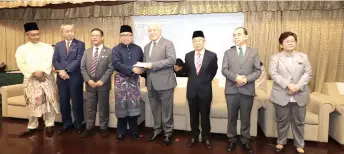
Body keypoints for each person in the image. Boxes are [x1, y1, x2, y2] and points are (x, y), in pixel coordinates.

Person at [269, 32, 312, 154]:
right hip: (282, 93)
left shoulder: (303, 57)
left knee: (299, 121)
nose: (290, 43)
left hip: (299, 93)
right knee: (282, 120)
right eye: (287, 41)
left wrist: (297, 86)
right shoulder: (275, 57)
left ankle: (299, 144)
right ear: (281, 44)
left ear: (296, 42)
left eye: (292, 41)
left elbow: (308, 73)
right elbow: (273, 74)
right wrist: (288, 85)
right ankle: (281, 142)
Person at [15, 22, 59, 138]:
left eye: (38, 34)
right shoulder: (21, 49)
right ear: (27, 35)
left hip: (46, 77)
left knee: (49, 100)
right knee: (33, 103)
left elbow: (50, 61)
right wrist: (33, 73)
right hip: (31, 79)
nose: (36, 37)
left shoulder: (47, 47)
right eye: (33, 35)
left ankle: (50, 124)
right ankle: (32, 125)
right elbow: (21, 63)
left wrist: (42, 72)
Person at [221, 27, 261, 154]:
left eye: (239, 34)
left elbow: (257, 71)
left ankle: (245, 140)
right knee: (231, 117)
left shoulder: (253, 52)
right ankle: (231, 139)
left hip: (247, 90)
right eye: (234, 35)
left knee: (245, 118)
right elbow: (224, 69)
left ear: (246, 36)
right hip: (232, 90)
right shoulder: (228, 52)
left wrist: (247, 79)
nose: (236, 37)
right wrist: (236, 78)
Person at [138, 24, 176, 146]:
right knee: (154, 108)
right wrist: (139, 69)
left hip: (165, 83)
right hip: (151, 83)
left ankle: (168, 133)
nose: (152, 32)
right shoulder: (147, 46)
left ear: (160, 31)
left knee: (166, 109)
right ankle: (157, 130)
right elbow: (146, 65)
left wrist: (152, 65)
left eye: (154, 30)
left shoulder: (168, 43)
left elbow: (171, 60)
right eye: (149, 30)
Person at [184, 31, 218, 150]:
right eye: (195, 41)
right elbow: (188, 71)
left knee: (205, 116)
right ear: (192, 42)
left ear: (204, 41)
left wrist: (204, 80)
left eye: (199, 40)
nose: (197, 43)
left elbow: (213, 71)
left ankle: (206, 137)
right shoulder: (188, 55)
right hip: (191, 91)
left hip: (205, 90)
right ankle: (194, 136)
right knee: (193, 115)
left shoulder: (212, 55)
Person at [112, 25, 144, 142]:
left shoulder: (138, 48)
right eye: (123, 35)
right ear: (120, 37)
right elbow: (116, 64)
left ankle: (134, 131)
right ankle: (121, 132)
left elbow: (142, 63)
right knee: (121, 106)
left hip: (134, 81)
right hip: (120, 81)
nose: (125, 37)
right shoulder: (116, 49)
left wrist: (141, 69)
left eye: (128, 35)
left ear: (132, 36)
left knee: (134, 105)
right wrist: (132, 70)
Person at [80, 28, 114, 138]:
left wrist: (102, 81)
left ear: (102, 38)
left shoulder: (109, 51)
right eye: (92, 35)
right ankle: (89, 128)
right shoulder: (87, 51)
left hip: (103, 85)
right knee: (90, 107)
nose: (94, 37)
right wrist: (88, 80)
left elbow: (110, 68)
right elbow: (82, 67)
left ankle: (104, 128)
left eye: (97, 35)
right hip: (89, 85)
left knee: (103, 107)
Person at [53, 24, 85, 133]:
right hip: (61, 79)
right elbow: (55, 60)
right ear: (62, 33)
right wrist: (61, 71)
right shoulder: (58, 45)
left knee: (77, 102)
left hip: (75, 78)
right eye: (67, 31)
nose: (70, 32)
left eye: (71, 30)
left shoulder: (80, 44)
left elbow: (78, 59)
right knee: (63, 102)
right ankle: (66, 123)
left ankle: (79, 124)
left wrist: (66, 71)